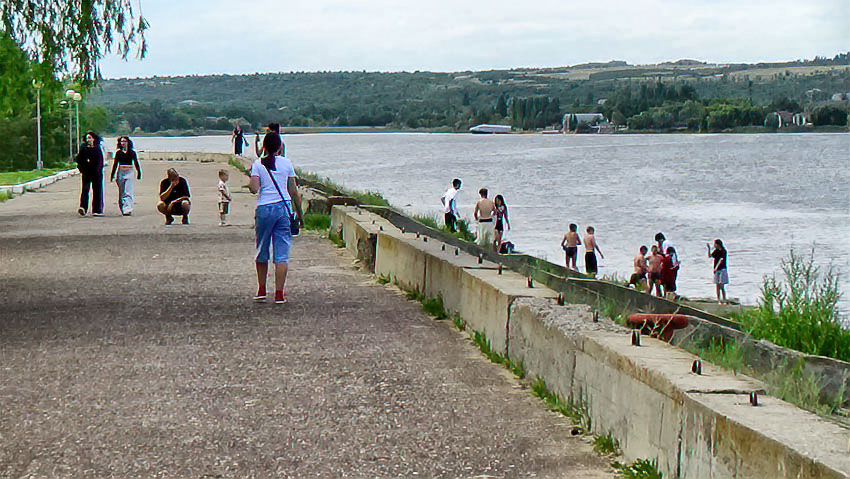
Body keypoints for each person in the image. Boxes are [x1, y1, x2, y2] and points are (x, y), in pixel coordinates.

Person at [248, 132, 303, 304]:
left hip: (264, 208)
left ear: (263, 146)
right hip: (283, 208)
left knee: (262, 249)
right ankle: (279, 293)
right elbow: (293, 191)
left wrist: (251, 178)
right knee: (281, 253)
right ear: (280, 146)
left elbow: (254, 188)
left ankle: (262, 289)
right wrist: (299, 213)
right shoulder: (286, 163)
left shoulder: (258, 164)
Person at [109, 136, 142, 216]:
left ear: (128, 142)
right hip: (121, 171)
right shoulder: (118, 153)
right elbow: (115, 164)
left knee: (128, 191)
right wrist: (112, 175)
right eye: (121, 141)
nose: (123, 143)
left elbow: (136, 162)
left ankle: (128, 208)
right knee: (122, 192)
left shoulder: (132, 152)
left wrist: (139, 172)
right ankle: (122, 206)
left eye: (124, 141)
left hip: (129, 171)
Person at [75, 131, 105, 216]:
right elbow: (79, 159)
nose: (88, 140)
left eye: (90, 138)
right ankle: (83, 207)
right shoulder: (83, 148)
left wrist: (99, 170)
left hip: (97, 174)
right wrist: (81, 169)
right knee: (85, 190)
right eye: (87, 138)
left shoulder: (97, 148)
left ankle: (97, 209)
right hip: (86, 173)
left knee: (97, 191)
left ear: (94, 139)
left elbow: (100, 161)